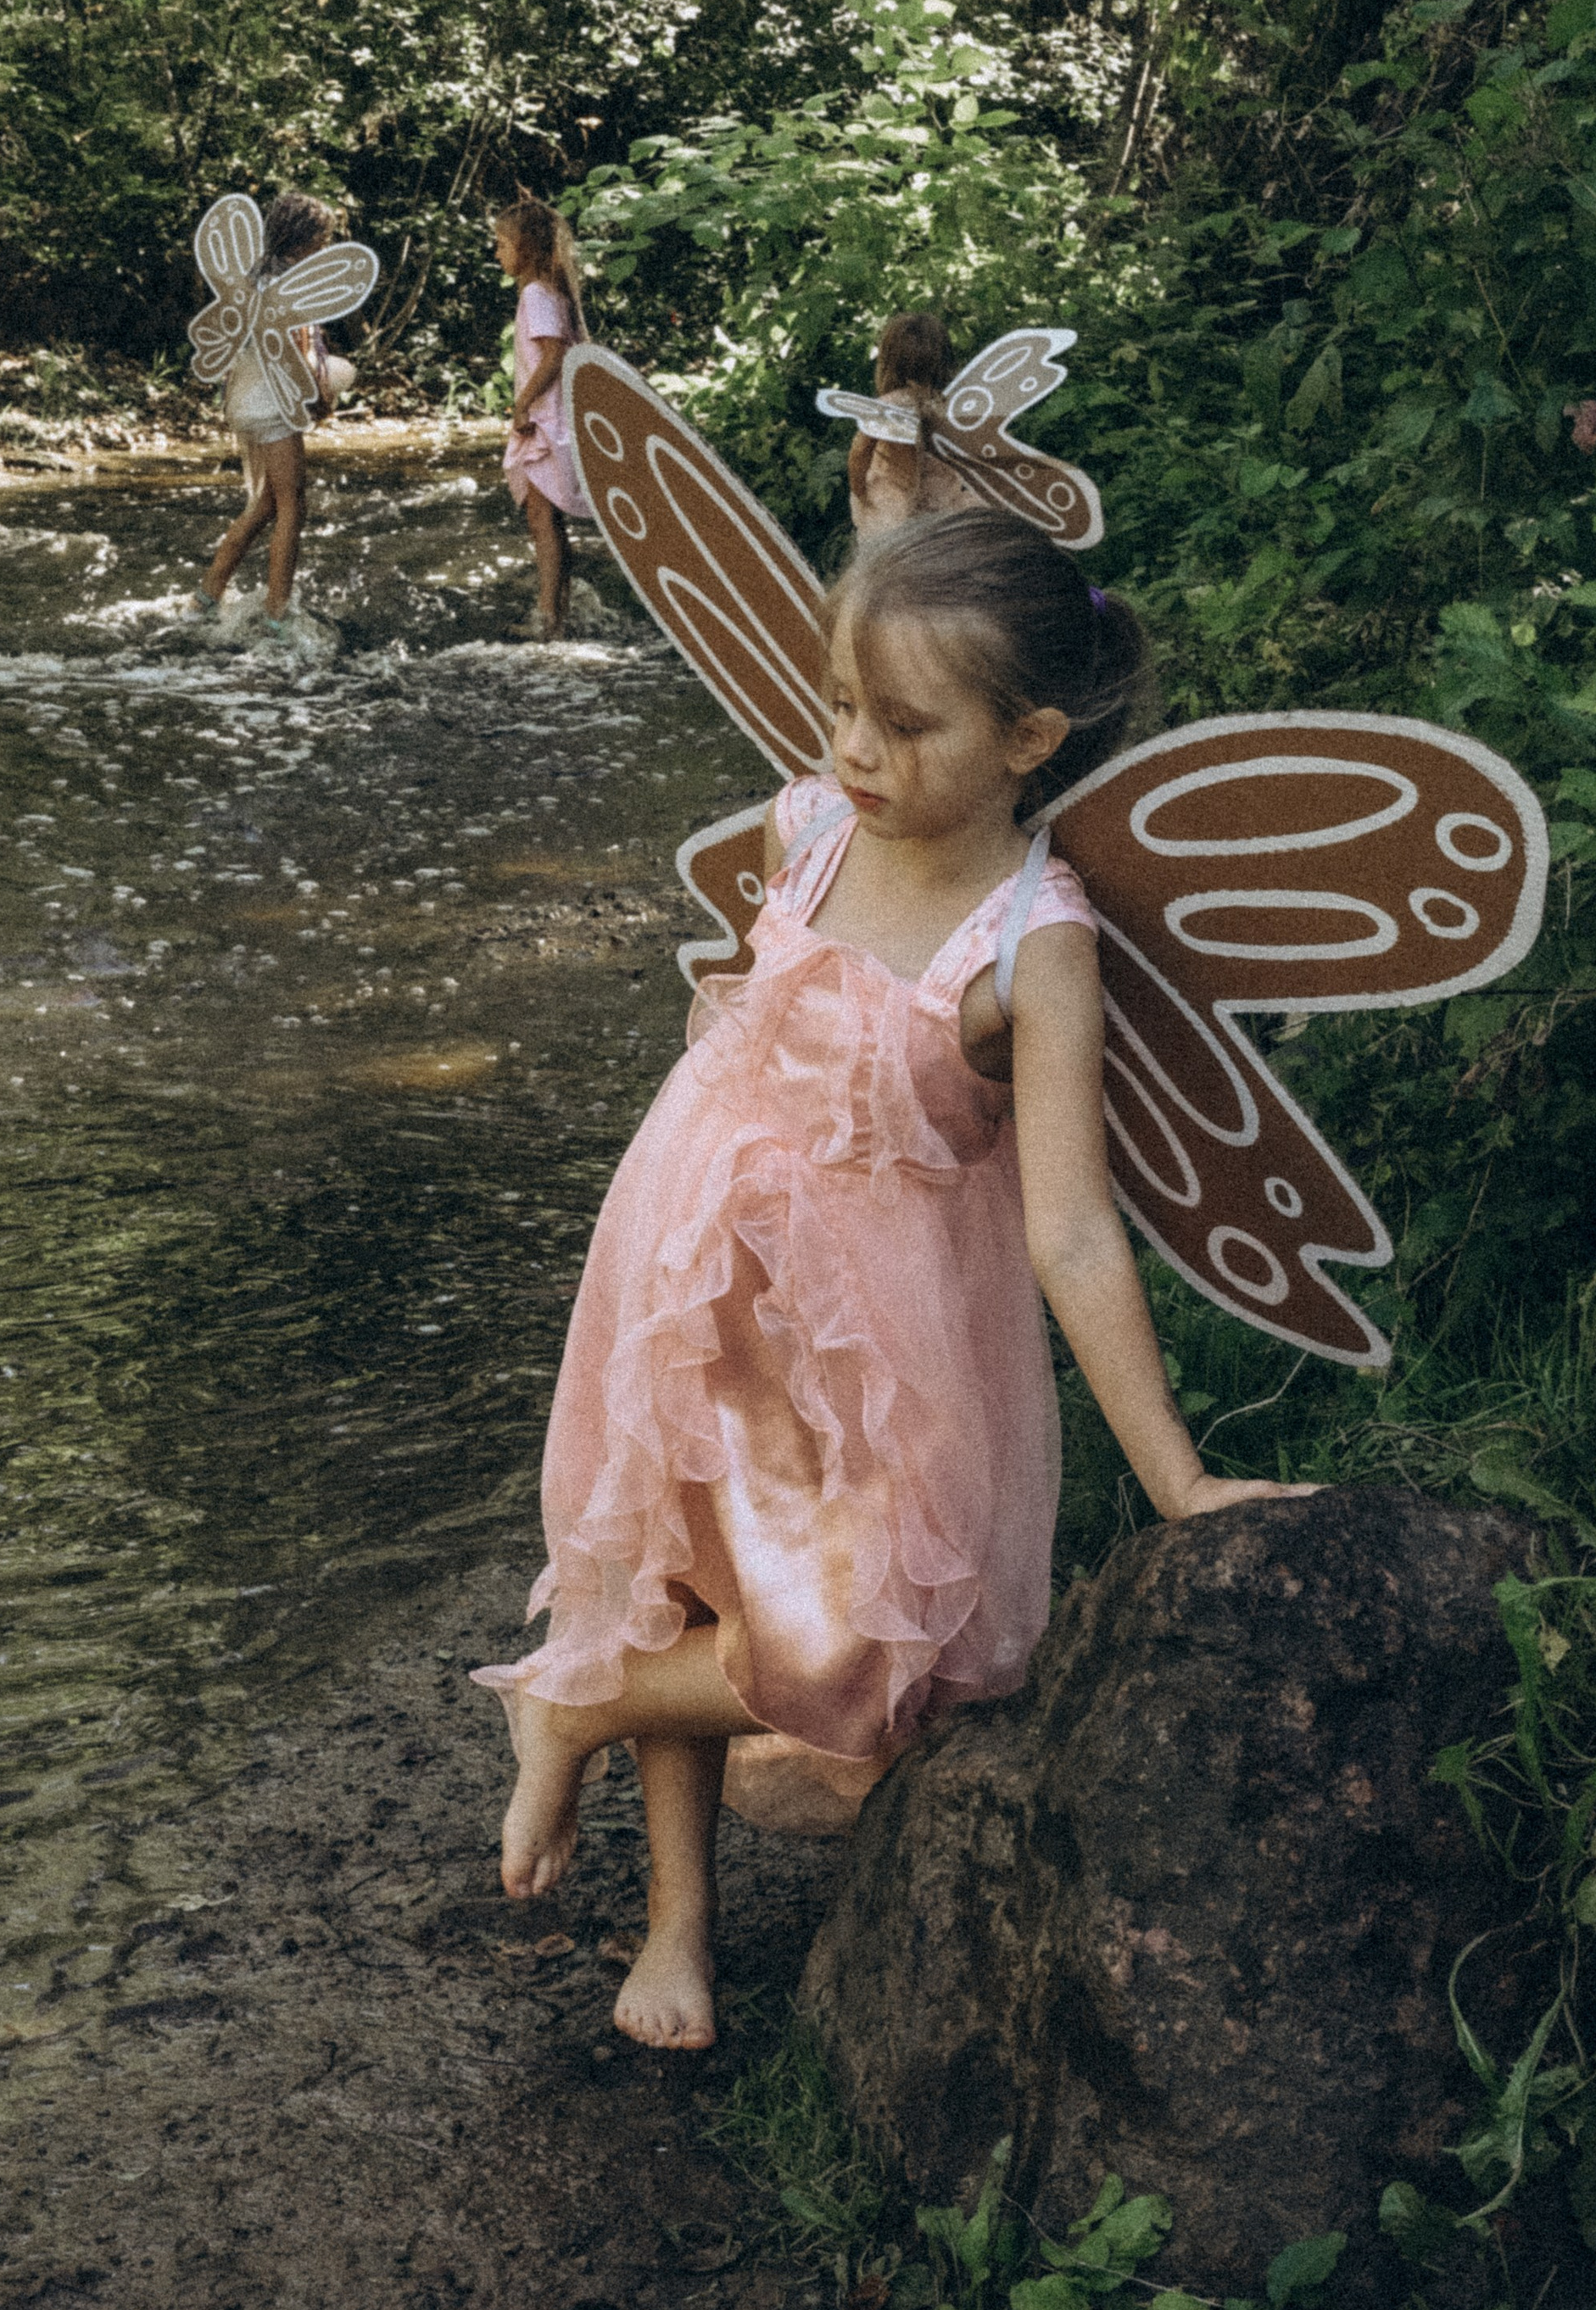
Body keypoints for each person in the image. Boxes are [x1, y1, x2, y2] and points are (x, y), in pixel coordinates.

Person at [474, 509, 1313, 2050]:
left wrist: (1180, 1483)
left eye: (904, 723)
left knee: (895, 1656)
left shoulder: (1032, 947)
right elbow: (743, 1025)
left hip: (889, 1325)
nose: (856, 748)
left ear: (1027, 738)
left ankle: (583, 1699)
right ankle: (677, 1926)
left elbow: (1070, 1230)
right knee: (682, 1563)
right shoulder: (814, 827)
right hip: (701, 1256)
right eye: (840, 707)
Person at [197, 190, 350, 627]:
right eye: (321, 240)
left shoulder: (250, 279)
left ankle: (206, 597)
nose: (324, 249)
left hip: (245, 399)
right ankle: (278, 613)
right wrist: (318, 397)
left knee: (266, 504)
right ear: (302, 241)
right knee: (292, 505)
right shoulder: (288, 287)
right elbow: (290, 352)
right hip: (272, 404)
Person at [494, 196, 591, 639]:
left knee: (542, 521)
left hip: (545, 424)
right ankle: (557, 612)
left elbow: (553, 355)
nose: (497, 253)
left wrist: (521, 405)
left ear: (527, 249)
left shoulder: (536, 293)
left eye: (502, 244)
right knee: (546, 519)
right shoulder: (550, 292)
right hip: (554, 421)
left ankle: (549, 619)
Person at [846, 310, 973, 538]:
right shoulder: (950, 406)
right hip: (941, 515)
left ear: (889, 360)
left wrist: (861, 494)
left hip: (892, 518)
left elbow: (860, 450)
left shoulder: (890, 406)